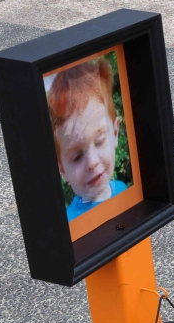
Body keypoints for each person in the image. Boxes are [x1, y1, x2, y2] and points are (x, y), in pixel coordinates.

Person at [48, 57, 128, 221]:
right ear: (62, 169)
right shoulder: (69, 223)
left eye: (99, 142)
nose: (92, 162)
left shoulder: (123, 190)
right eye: (77, 156)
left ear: (114, 134)